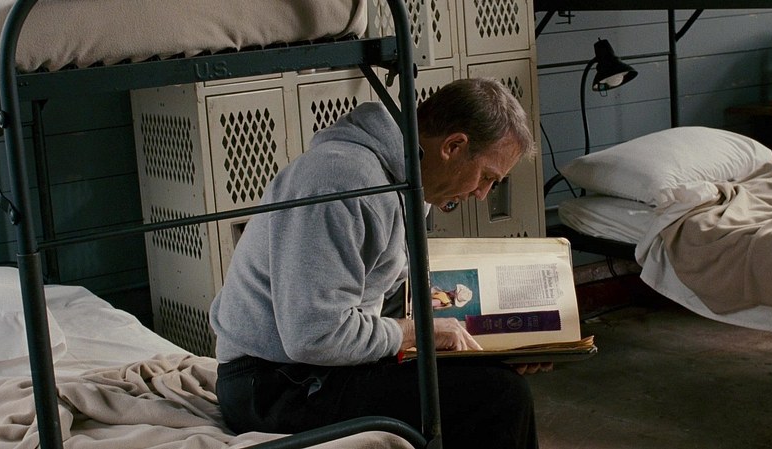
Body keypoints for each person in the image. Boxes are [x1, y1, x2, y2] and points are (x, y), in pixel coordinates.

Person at [210, 78, 546, 448]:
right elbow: (312, 336)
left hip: (320, 370)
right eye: (486, 177)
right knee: (500, 397)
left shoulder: (408, 181)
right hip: (273, 385)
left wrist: (502, 347)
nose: (482, 194)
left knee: (490, 377)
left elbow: (391, 294)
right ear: (453, 146)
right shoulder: (342, 184)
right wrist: (419, 333)